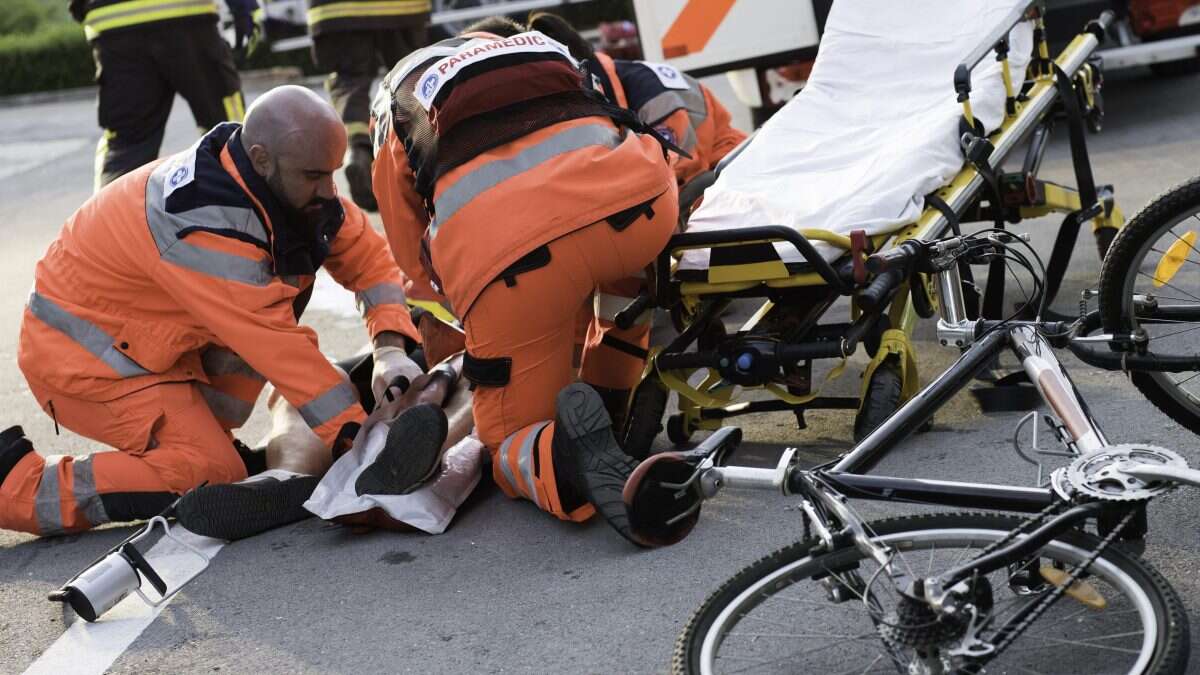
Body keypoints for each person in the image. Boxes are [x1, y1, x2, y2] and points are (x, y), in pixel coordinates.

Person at [0, 86, 429, 537]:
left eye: (332, 173)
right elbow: (280, 350)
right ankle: (17, 487)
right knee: (207, 472)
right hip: (83, 359)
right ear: (262, 159)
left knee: (223, 439)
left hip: (145, 343)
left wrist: (389, 347)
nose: (329, 191)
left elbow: (369, 258)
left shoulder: (271, 180)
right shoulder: (206, 227)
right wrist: (366, 440)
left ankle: (207, 444)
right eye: (314, 176)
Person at [370, 25, 703, 547]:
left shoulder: (397, 101)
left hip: (516, 258)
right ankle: (613, 410)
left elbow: (419, 271)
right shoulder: (538, 51)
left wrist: (479, 343)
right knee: (620, 307)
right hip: (642, 207)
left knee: (507, 441)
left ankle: (563, 463)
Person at [71, 0, 256, 191]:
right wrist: (245, 8)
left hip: (112, 22)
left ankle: (107, 217)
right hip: (189, 17)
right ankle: (253, 206)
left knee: (127, 145)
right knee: (228, 134)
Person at [307, 0, 432, 211]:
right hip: (401, 8)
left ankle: (357, 150)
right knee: (411, 76)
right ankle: (422, 160)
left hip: (336, 9)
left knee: (349, 83)